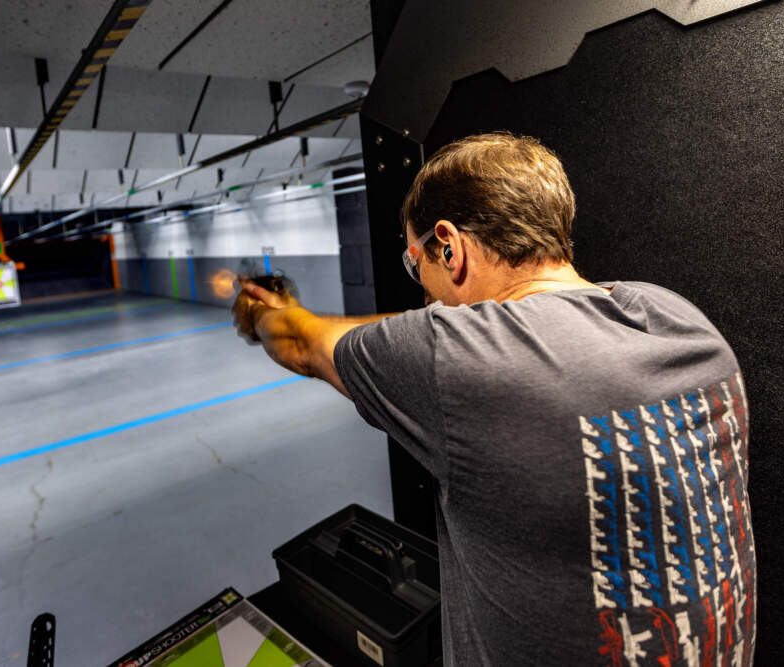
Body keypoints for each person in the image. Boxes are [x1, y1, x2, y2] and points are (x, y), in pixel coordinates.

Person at [231, 132, 756, 666]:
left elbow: (301, 341)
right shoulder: (678, 319)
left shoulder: (453, 361)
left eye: (418, 265)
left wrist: (266, 308)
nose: (425, 295)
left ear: (449, 246)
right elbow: (477, 331)